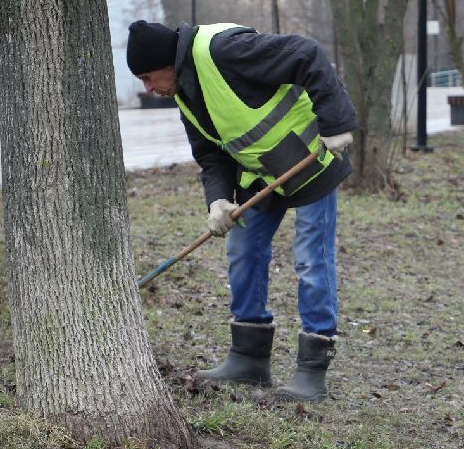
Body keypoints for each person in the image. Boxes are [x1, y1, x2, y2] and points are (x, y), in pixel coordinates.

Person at [126, 20, 356, 402]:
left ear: (170, 62)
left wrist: (336, 123)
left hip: (312, 158)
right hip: (261, 176)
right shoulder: (184, 90)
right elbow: (209, 154)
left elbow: (307, 53)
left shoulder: (225, 50)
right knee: (243, 251)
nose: (148, 89)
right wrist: (217, 200)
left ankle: (312, 369)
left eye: (149, 77)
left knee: (311, 259)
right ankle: (248, 358)